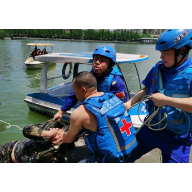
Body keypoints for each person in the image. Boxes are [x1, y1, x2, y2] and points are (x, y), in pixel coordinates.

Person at [124, 29, 192, 163]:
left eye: (165, 53)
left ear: (182, 51)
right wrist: (128, 104)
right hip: (151, 128)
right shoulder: (157, 68)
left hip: (177, 138)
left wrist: (166, 100)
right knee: (124, 156)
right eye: (161, 53)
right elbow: (146, 89)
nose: (161, 57)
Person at [49, 71, 138, 163]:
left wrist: (56, 137)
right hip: (128, 149)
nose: (74, 93)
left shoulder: (79, 112)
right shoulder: (112, 97)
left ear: (83, 90)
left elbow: (68, 139)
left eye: (74, 89)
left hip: (110, 158)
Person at [53, 45, 128, 122]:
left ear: (110, 64)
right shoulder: (91, 75)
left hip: (106, 117)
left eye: (102, 60)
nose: (97, 62)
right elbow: (76, 94)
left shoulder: (116, 82)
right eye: (95, 59)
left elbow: (121, 106)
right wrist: (61, 111)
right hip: (92, 111)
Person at [0, 119, 71, 163]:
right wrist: (47, 133)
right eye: (57, 133)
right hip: (7, 151)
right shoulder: (48, 129)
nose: (56, 137)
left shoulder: (59, 152)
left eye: (60, 139)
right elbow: (26, 130)